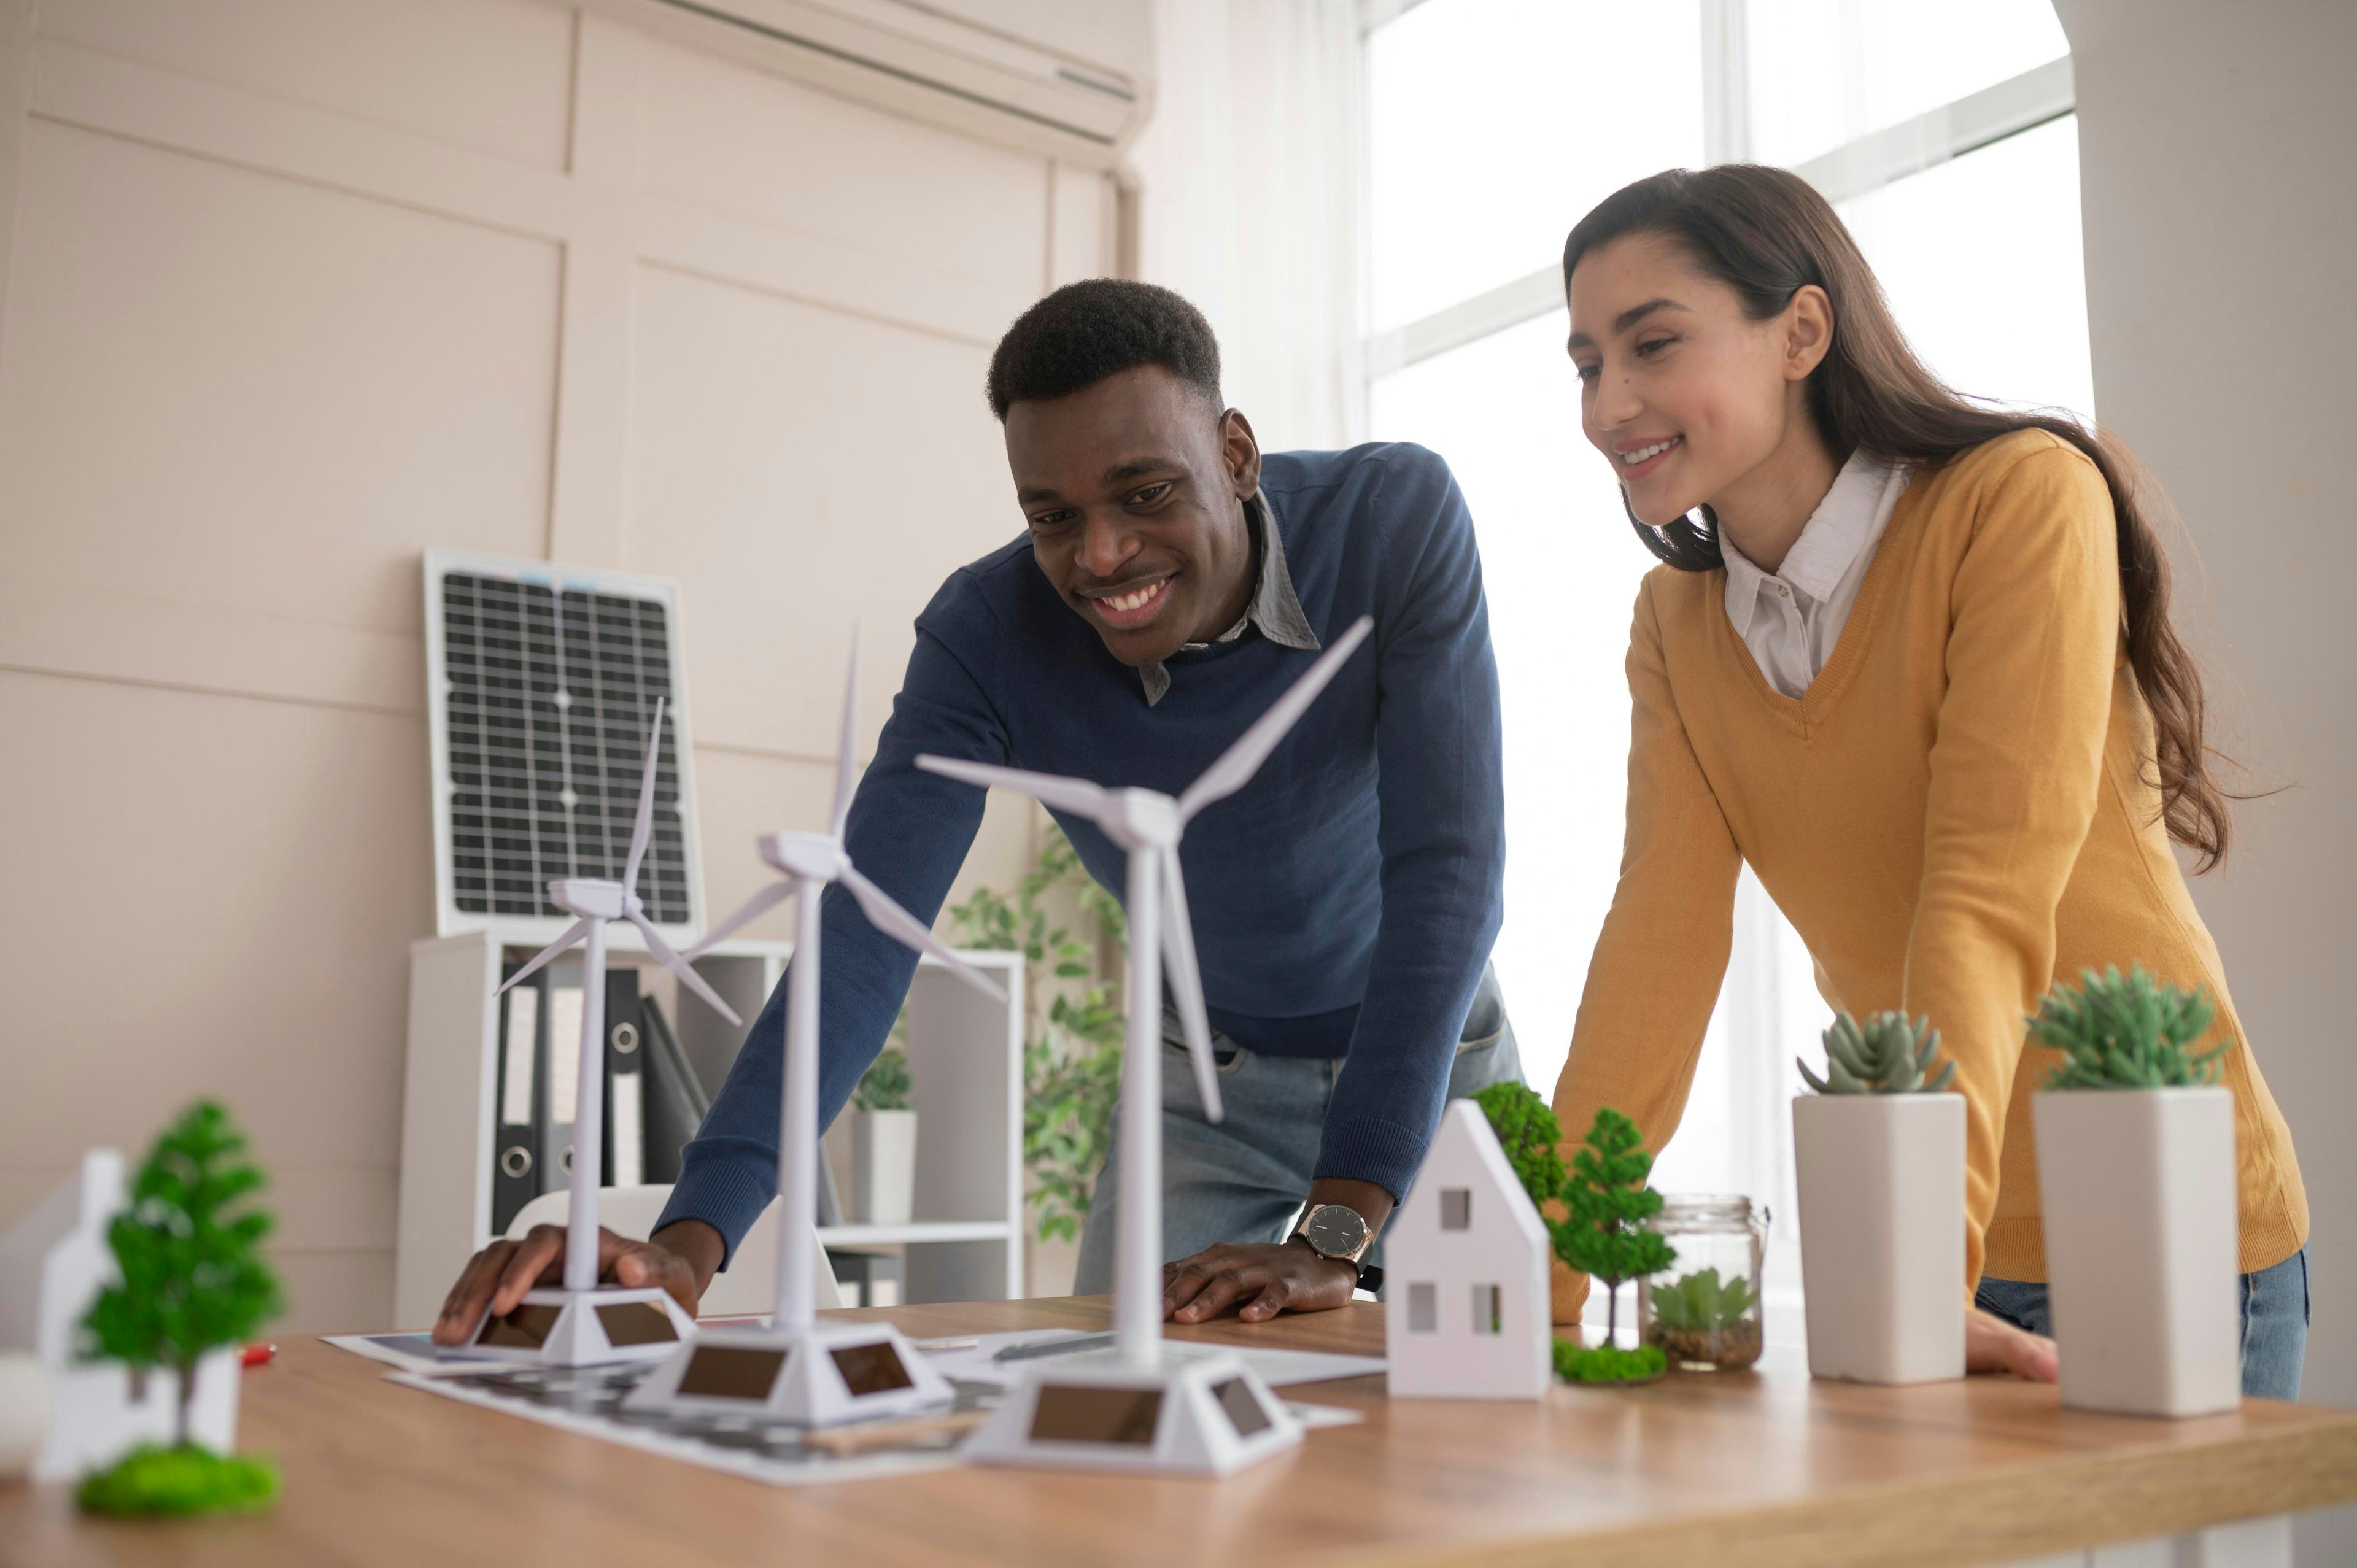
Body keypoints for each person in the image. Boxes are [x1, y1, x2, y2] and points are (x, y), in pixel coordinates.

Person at [433, 279, 1513, 1345]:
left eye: (1145, 494)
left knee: (1504, 1411)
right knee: (1122, 1419)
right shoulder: (986, 635)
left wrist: (1340, 1223)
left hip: (1433, 1061)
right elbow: (861, 936)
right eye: (1053, 517)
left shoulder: (1393, 520)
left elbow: (1449, 873)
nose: (1099, 556)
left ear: (1234, 454)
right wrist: (688, 1245)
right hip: (1207, 1084)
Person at [1550, 165, 2309, 1392]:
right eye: (1588, 364)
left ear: (1801, 330)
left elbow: (1985, 892)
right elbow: (1659, 947)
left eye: (1653, 345)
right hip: (1922, 1240)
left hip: (2164, 1230)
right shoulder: (1675, 622)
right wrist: (1535, 1284)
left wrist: (1921, 1270)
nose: (1609, 403)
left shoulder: (2014, 503)